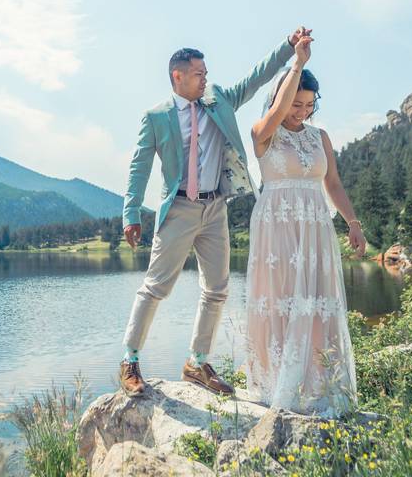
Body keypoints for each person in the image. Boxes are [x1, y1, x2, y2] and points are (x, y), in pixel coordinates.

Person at [119, 28, 308, 397]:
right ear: (178, 76)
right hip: (179, 210)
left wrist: (287, 48)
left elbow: (257, 78)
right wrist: (130, 213)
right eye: (199, 74)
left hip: (215, 208)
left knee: (217, 289)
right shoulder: (156, 118)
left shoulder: (218, 99)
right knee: (155, 287)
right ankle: (130, 360)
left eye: (206, 73)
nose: (206, 78)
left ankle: (197, 362)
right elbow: (139, 166)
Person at [241, 32, 367, 417]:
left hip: (314, 227)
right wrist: (296, 63)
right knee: (279, 302)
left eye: (308, 105)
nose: (301, 112)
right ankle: (277, 384)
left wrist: (353, 222)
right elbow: (277, 114)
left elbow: (333, 183)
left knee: (316, 306)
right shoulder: (264, 133)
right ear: (282, 99)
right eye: (295, 103)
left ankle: (319, 383)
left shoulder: (320, 137)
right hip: (277, 227)